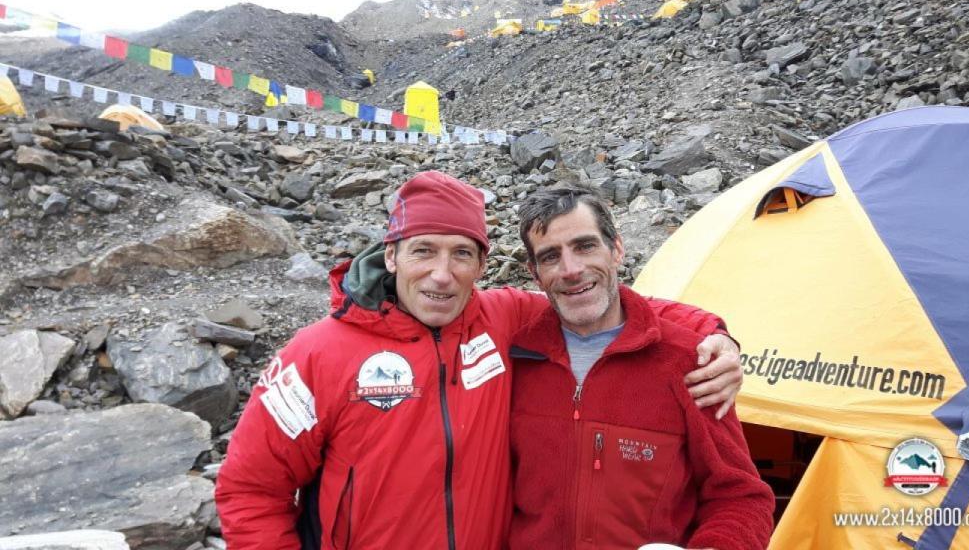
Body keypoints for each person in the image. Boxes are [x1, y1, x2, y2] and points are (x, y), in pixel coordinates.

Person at [215, 171, 742, 549]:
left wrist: (714, 333)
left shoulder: (502, 318)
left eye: (461, 254)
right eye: (424, 250)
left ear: (482, 264)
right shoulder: (314, 354)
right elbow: (250, 490)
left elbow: (604, 303)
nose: (442, 275)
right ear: (391, 254)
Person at [509, 184, 774, 550]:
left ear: (616, 249)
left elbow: (740, 495)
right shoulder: (513, 361)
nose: (571, 270)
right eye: (551, 256)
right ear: (534, 273)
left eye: (585, 246)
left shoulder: (689, 364)